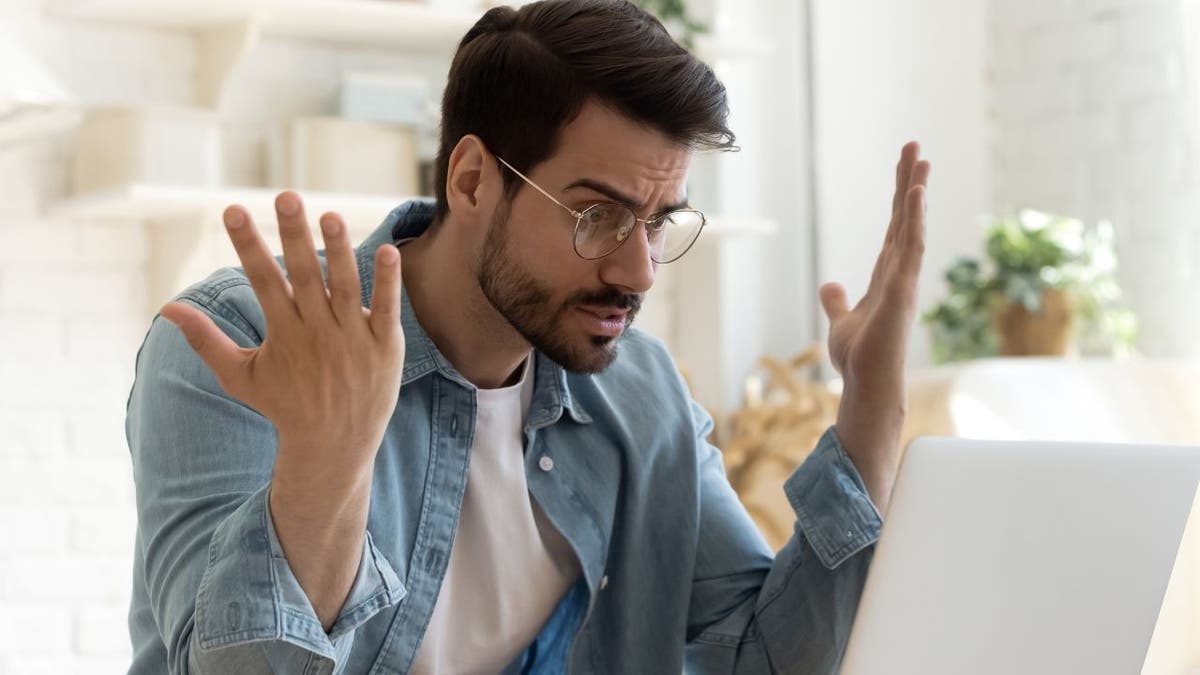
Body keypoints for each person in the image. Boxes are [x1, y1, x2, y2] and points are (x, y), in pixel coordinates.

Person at [125, 0, 930, 673]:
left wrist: (873, 411)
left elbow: (763, 658)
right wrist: (326, 465)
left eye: (659, 223)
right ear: (473, 180)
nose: (640, 271)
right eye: (598, 216)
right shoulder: (248, 345)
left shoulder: (641, 392)